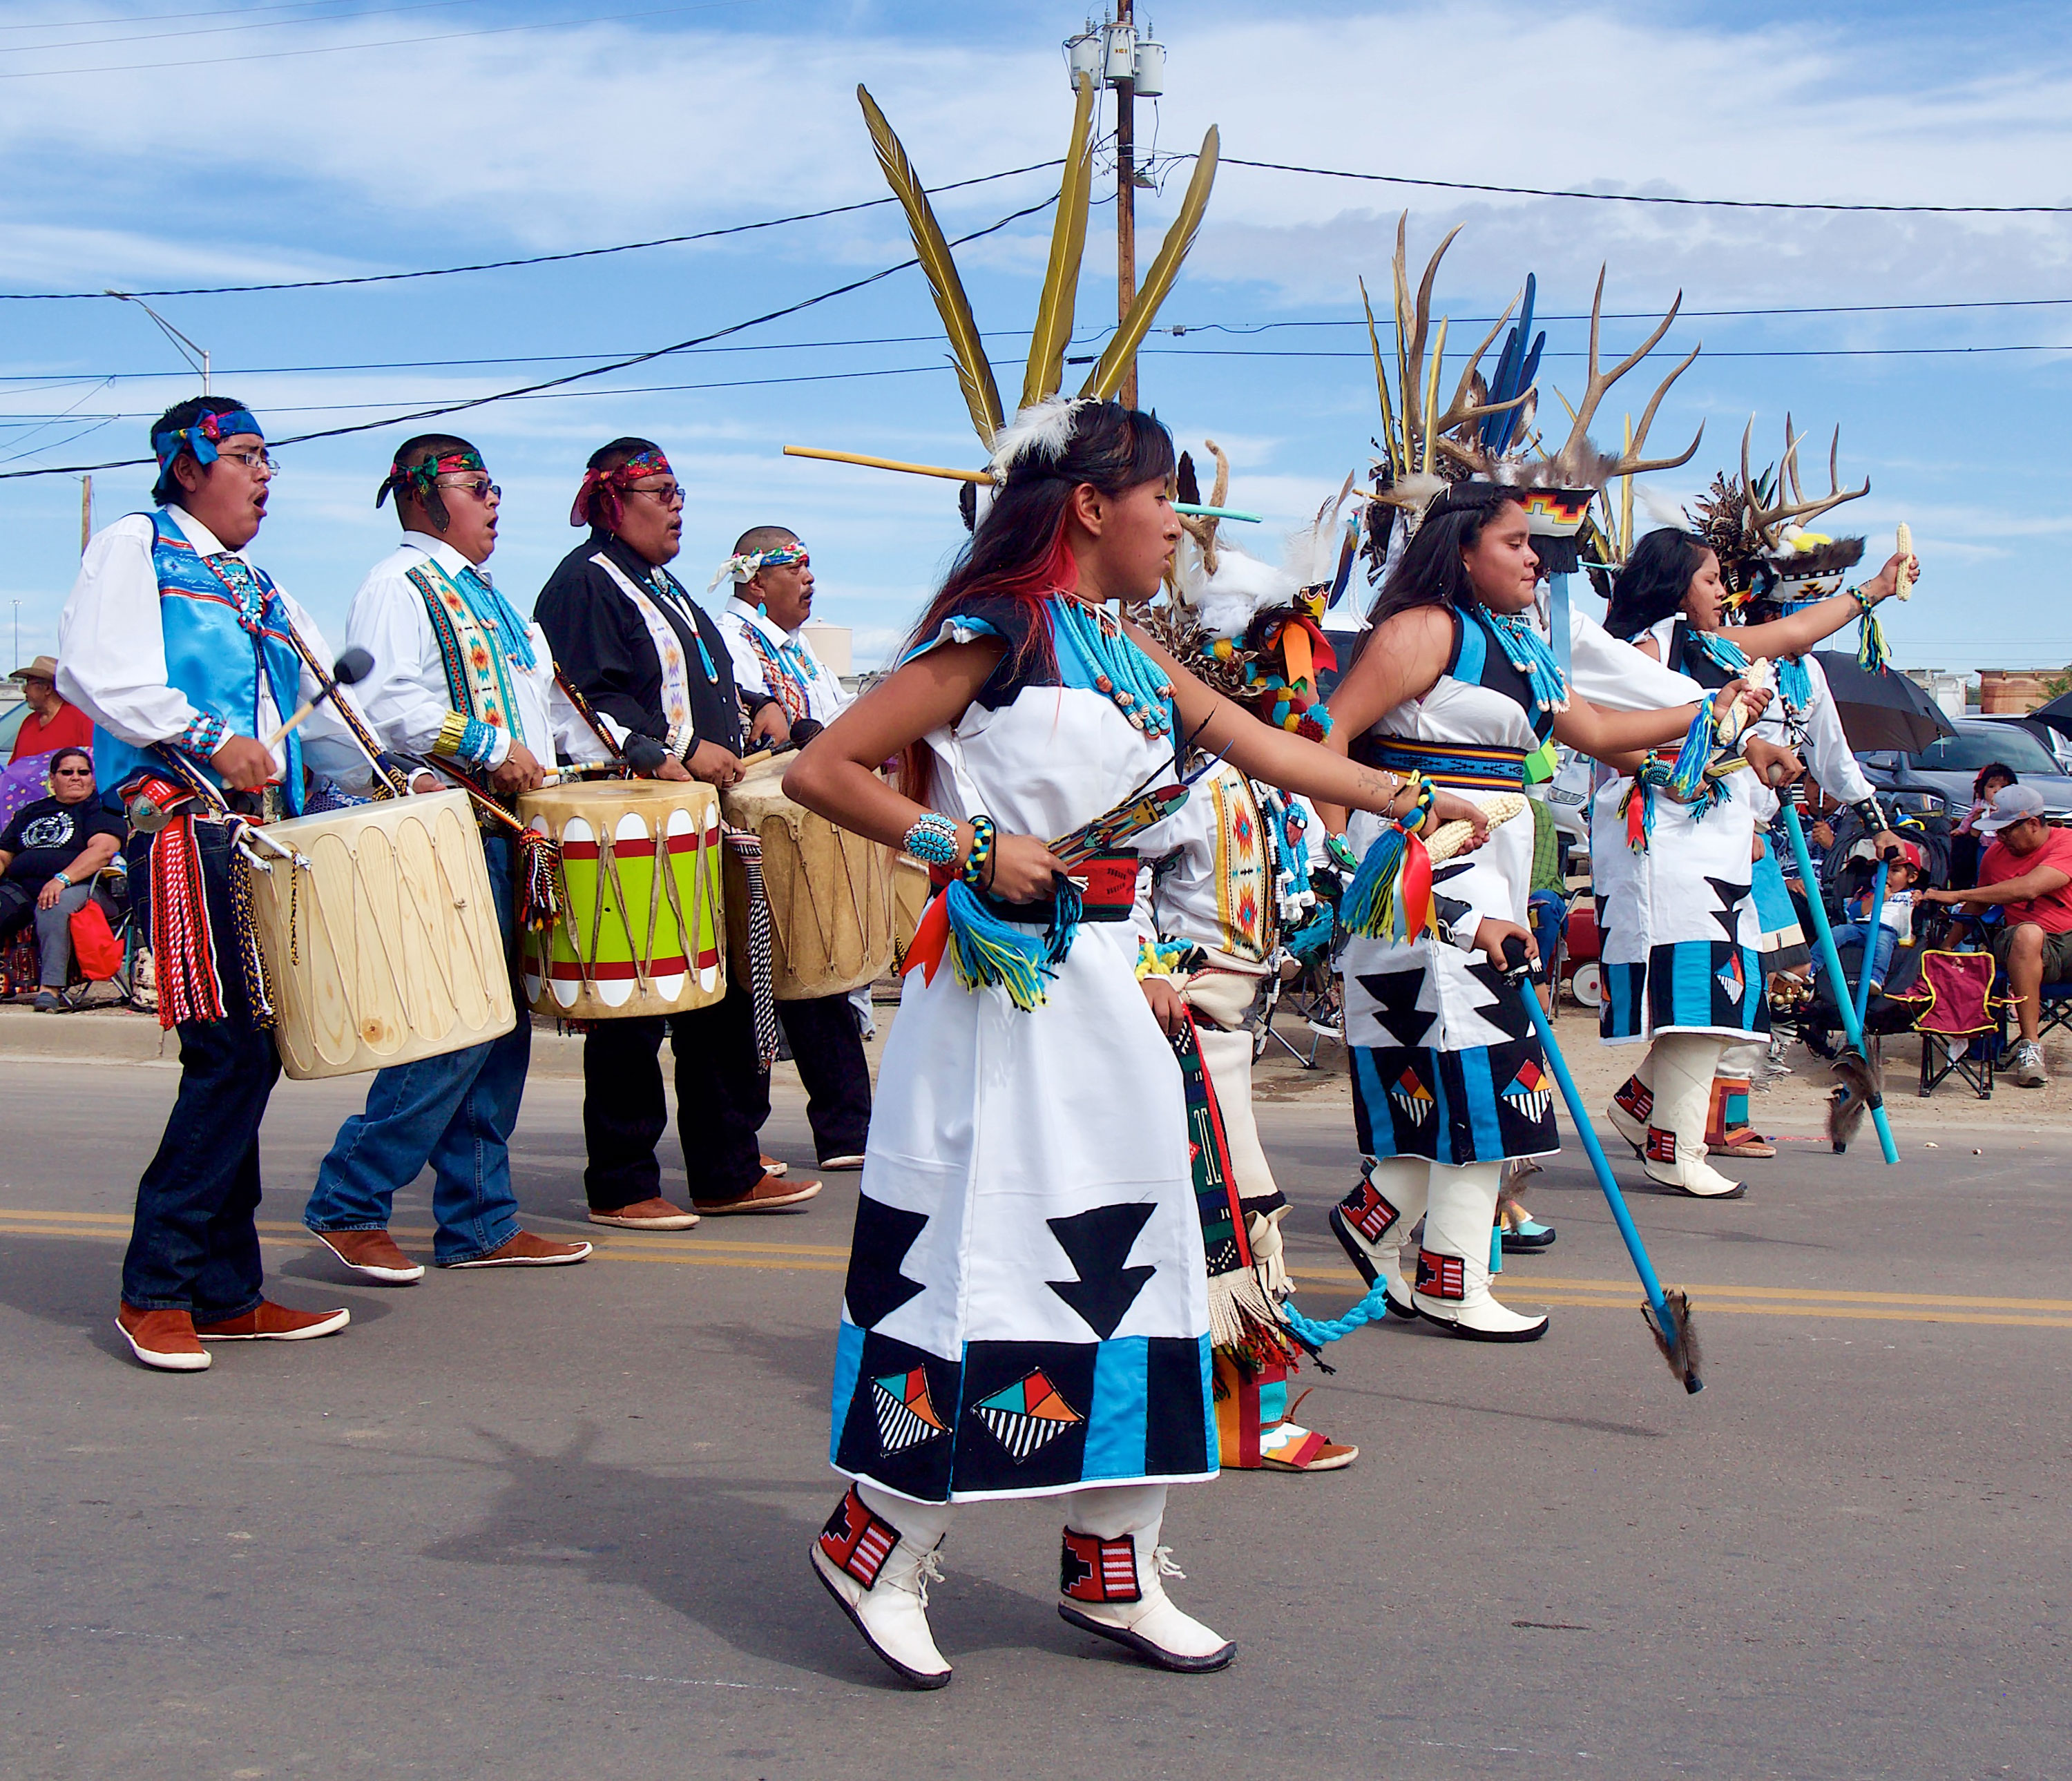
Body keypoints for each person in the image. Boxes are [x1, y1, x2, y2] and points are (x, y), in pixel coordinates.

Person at [783, 398, 1484, 1686]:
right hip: (1002, 996)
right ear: (1094, 505)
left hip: (1108, 988)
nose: (1183, 519)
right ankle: (874, 1540)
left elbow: (1264, 744)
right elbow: (823, 769)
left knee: (1136, 1263)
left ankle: (1113, 1559)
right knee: (981, 1266)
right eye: (1165, 494)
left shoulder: (1122, 646)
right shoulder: (997, 628)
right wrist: (968, 846)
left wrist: (1411, 795)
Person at [1319, 486, 1756, 1334]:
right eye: (1517, 542)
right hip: (1423, 886)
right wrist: (1335, 861)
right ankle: (1449, 1277)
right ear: (1463, 548)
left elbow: (1601, 734)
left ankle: (1374, 1222)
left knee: (1451, 1082)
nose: (1535, 560)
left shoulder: (1520, 642)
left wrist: (1716, 711)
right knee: (1490, 1084)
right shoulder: (1423, 629)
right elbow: (1326, 735)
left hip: (1491, 886)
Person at [57, 396, 361, 1372]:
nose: (265, 475)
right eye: (244, 456)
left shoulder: (262, 585)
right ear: (187, 466)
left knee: (251, 1051)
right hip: (183, 828)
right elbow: (93, 672)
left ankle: (225, 1288)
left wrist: (387, 769)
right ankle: (156, 1284)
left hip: (259, 838)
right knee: (230, 1054)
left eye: (269, 459)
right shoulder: (137, 548)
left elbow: (319, 709)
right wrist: (208, 735)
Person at [301, 436, 592, 1283]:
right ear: (426, 498)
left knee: (498, 1032)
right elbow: (388, 701)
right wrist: (494, 745)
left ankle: (478, 1219)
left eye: (496, 484)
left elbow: (537, 704)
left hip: (508, 829)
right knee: (454, 1024)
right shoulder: (399, 584)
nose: (496, 499)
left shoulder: (488, 597)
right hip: (452, 825)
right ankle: (349, 1199)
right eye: (479, 485)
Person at [535, 439, 816, 1227]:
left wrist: (756, 702)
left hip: (694, 818)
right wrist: (675, 751)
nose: (677, 503)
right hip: (632, 815)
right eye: (659, 490)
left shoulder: (666, 588)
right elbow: (580, 698)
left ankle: (725, 1169)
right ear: (611, 502)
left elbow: (709, 675)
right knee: (637, 1001)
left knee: (714, 1000)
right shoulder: (583, 584)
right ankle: (622, 1182)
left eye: (678, 488)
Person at [1592, 529, 1834, 1199]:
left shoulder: (1715, 651)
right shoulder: (1645, 650)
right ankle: (1676, 1148)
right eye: (1709, 579)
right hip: (1663, 844)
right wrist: (1680, 771)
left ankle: (1643, 1108)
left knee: (1719, 995)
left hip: (1717, 844)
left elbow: (1738, 723)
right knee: (1699, 998)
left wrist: (1760, 755)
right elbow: (1608, 743)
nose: (1723, 591)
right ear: (1673, 583)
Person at [711, 528, 871, 1171]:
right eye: (795, 568)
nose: (809, 580)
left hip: (809, 832)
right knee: (756, 985)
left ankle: (848, 1131)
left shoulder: (800, 650)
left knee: (817, 972)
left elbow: (836, 719)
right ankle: (745, 1142)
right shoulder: (733, 639)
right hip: (758, 832)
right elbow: (750, 721)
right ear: (756, 581)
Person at [1920, 784, 2072, 1087]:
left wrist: (1957, 893)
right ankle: (2030, 1047)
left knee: (2030, 932)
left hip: (2068, 938)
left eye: (2006, 831)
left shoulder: (2066, 843)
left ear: (2032, 823)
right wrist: (1949, 944)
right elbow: (1979, 903)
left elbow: (2031, 887)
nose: (2000, 838)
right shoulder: (1994, 856)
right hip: (2024, 944)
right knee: (2028, 933)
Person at [0, 747, 123, 1008]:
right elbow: (4, 855)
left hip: (84, 888)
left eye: (83, 772)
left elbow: (103, 851)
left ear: (93, 777)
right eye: (67, 772)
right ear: (52, 779)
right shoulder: (31, 812)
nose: (76, 777)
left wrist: (61, 879)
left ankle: (51, 988)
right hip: (22, 887)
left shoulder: (101, 809)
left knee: (53, 901)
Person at [1812, 840, 1922, 994]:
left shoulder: (1911, 895)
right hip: (1860, 926)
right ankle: (1812, 966)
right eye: (1884, 870)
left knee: (1882, 944)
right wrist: (1876, 898)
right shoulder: (1873, 891)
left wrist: (1920, 900)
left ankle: (1876, 977)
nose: (1886, 876)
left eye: (1895, 871)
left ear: (1911, 877)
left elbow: (1922, 911)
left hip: (1887, 930)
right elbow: (1855, 912)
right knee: (1833, 934)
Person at [8, 656, 94, 762]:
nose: (25, 690)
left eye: (29, 683)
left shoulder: (82, 719)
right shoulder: (29, 722)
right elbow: (14, 767)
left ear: (47, 689)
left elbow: (92, 766)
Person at [1951, 762, 2018, 890]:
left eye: (2003, 787)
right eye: (1991, 787)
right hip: (1984, 844)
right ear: (1982, 790)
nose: (1997, 791)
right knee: (1983, 867)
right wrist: (1961, 830)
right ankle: (1981, 886)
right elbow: (1968, 819)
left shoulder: (2013, 807)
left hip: (2005, 846)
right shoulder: (1981, 806)